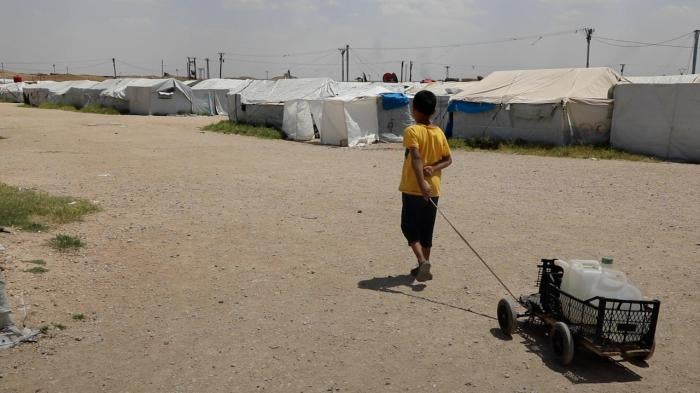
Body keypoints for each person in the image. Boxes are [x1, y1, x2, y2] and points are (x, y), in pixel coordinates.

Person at [399, 90, 452, 282]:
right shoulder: (439, 132)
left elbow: (416, 156)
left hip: (414, 188)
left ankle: (422, 261)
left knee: (408, 226)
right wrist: (434, 168)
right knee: (426, 229)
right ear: (433, 111)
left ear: (415, 110)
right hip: (434, 189)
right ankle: (424, 268)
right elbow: (448, 160)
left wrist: (421, 182)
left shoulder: (412, 131)